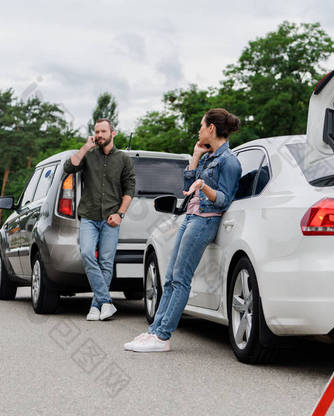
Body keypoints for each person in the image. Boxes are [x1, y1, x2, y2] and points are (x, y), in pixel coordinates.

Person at [124, 108, 242, 352]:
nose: (198, 130)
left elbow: (224, 200)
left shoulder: (229, 162)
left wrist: (205, 187)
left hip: (204, 221)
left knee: (180, 279)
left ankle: (163, 337)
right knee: (170, 277)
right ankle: (154, 331)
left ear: (211, 128)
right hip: (190, 217)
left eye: (201, 126)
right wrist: (196, 158)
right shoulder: (209, 157)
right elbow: (187, 189)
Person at [63, 118, 136, 321]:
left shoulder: (123, 159)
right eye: (97, 131)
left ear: (113, 133)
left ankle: (96, 306)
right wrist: (85, 147)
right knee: (87, 253)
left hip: (111, 217)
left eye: (103, 131)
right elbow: (69, 167)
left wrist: (120, 214)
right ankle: (106, 301)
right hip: (89, 215)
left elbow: (130, 189)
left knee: (106, 261)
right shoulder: (89, 155)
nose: (99, 135)